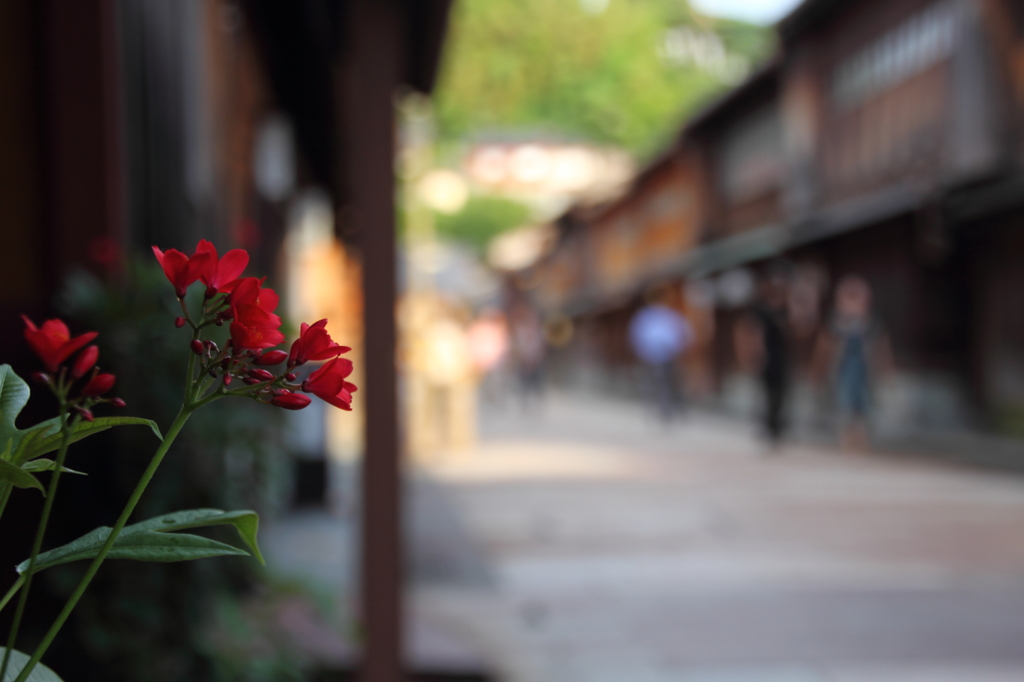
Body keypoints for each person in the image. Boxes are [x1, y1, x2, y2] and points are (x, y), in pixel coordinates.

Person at [814, 275, 893, 451]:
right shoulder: (835, 324)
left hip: (865, 372)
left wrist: (887, 369)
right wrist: (818, 371)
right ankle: (846, 440)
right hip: (842, 371)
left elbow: (882, 346)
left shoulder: (872, 324)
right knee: (844, 404)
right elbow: (823, 349)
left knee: (864, 404)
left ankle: (862, 440)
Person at [737, 271, 791, 446]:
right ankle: (767, 425)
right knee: (766, 393)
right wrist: (751, 355)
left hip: (780, 357)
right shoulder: (759, 311)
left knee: (780, 393)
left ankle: (776, 426)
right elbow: (749, 332)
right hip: (765, 358)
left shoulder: (783, 310)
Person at [629, 296, 694, 422]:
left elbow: (685, 333)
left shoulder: (671, 315)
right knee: (656, 383)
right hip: (651, 356)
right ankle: (660, 409)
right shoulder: (646, 317)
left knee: (670, 383)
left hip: (670, 355)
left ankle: (670, 409)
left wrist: (680, 348)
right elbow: (637, 336)